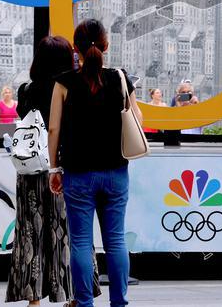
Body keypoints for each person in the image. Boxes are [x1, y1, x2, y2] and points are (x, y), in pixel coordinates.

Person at [48, 19, 142, 307]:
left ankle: (85, 303)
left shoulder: (64, 82)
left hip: (77, 174)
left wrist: (54, 168)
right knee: (115, 241)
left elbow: (54, 129)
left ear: (75, 48)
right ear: (106, 44)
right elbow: (138, 120)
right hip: (116, 172)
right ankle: (119, 303)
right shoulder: (121, 78)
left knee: (80, 242)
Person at [7, 35, 99, 306]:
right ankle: (74, 295)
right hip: (63, 167)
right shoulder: (72, 88)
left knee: (29, 232)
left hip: (30, 170)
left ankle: (32, 297)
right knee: (68, 231)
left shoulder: (26, 91)